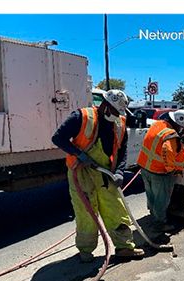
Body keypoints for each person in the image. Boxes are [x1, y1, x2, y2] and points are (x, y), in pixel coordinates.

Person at [51, 90, 144, 262]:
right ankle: (85, 251)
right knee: (87, 213)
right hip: (82, 172)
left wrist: (119, 172)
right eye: (115, 111)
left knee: (117, 210)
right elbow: (58, 138)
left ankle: (124, 247)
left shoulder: (120, 123)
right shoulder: (82, 117)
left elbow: (122, 151)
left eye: (119, 113)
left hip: (106, 173)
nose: (117, 115)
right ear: (105, 106)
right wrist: (78, 154)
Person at [136, 110, 184, 233]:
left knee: (151, 196)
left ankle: (153, 215)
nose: (182, 129)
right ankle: (159, 225)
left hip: (145, 167)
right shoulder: (171, 134)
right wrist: (172, 170)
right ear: (178, 123)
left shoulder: (157, 125)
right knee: (161, 200)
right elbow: (167, 151)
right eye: (182, 126)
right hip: (159, 173)